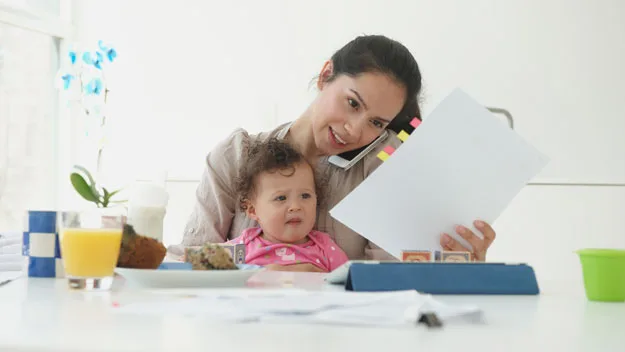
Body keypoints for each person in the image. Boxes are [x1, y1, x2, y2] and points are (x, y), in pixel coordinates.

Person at [168, 34, 497, 263]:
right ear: (326, 75)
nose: (355, 130)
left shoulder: (384, 164)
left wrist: (457, 264)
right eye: (353, 103)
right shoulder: (235, 157)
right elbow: (191, 265)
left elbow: (387, 285)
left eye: (377, 123)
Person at [224, 138, 348, 272]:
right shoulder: (242, 247)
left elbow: (349, 285)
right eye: (281, 198)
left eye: (305, 196)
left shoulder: (326, 248)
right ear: (253, 210)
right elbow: (211, 273)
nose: (295, 206)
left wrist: (322, 277)